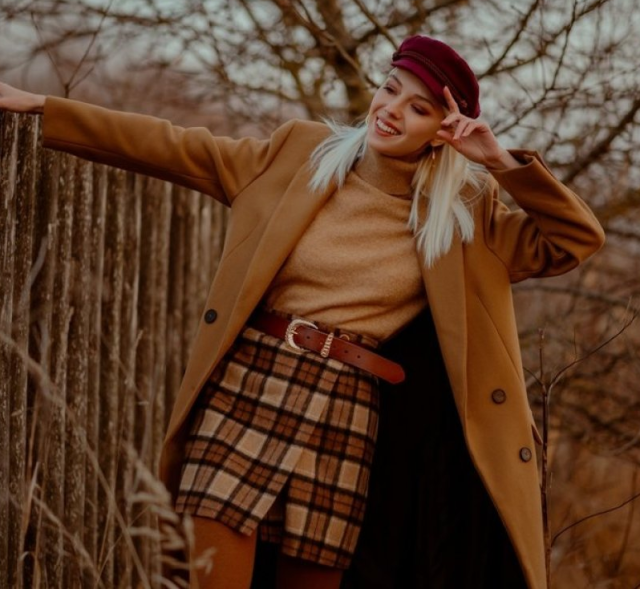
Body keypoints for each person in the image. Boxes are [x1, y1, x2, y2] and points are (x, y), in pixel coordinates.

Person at [0, 35, 604, 589]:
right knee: (209, 562)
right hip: (249, 385)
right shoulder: (299, 154)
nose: (392, 110)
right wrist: (43, 106)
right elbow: (175, 146)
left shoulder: (466, 210)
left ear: (443, 130)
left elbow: (574, 239)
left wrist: (497, 160)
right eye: (391, 89)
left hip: (348, 408)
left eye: (419, 108)